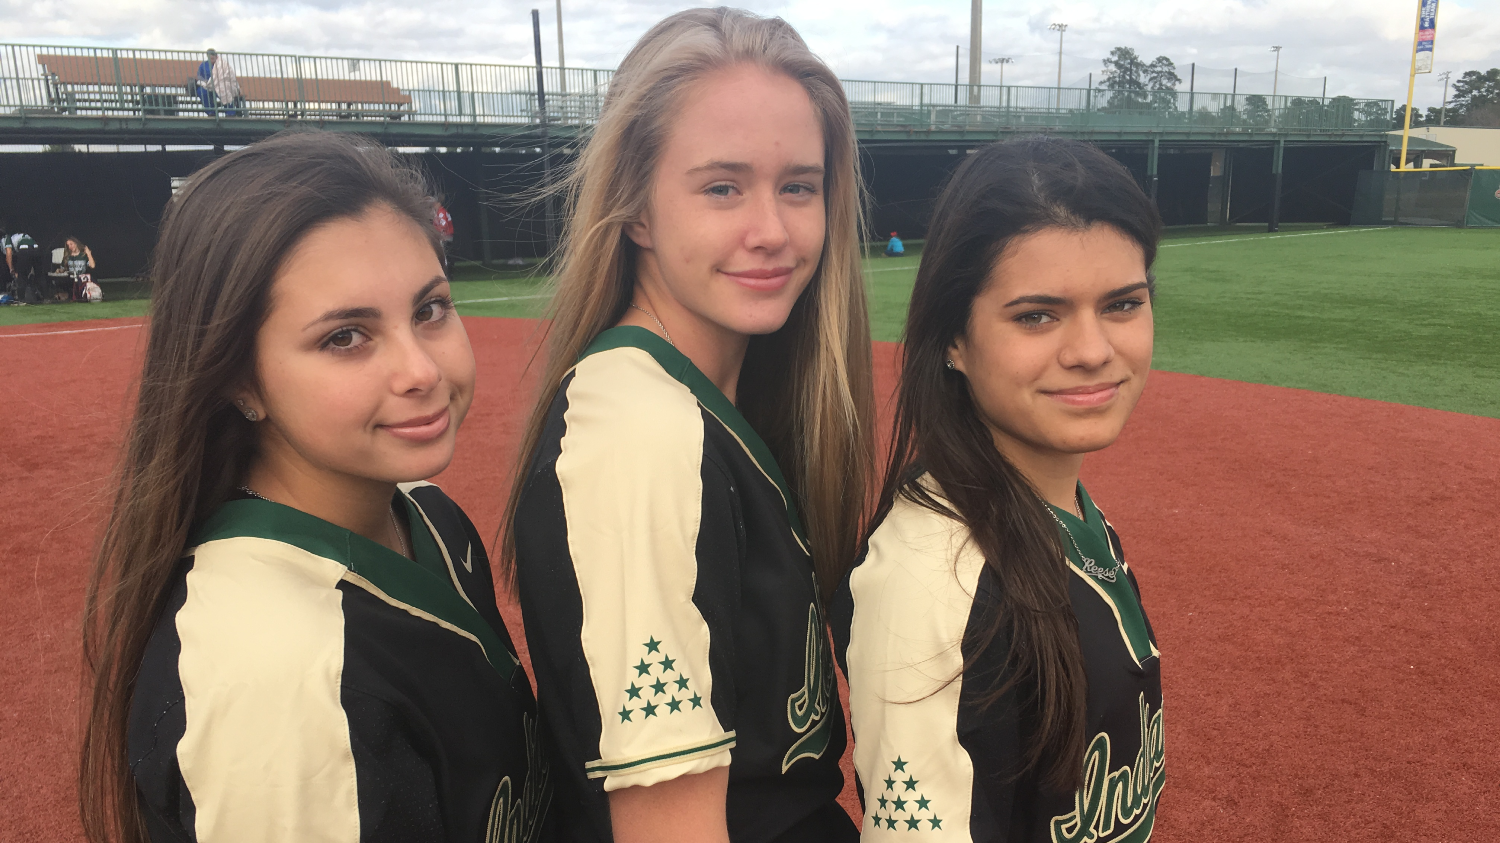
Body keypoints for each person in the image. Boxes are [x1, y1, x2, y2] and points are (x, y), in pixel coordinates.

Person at [79, 132, 557, 843]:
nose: (420, 369)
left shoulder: (428, 514)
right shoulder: (277, 681)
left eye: (430, 309)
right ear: (240, 377)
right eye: (345, 337)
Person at [505, 8, 875, 843]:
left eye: (799, 187)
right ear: (635, 210)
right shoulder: (641, 431)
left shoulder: (701, 401)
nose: (772, 230)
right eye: (721, 187)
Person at [833, 137, 1165, 842]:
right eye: (1036, 315)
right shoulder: (938, 578)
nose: (1091, 350)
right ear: (954, 339)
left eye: (1123, 304)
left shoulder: (1061, 509)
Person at [3, 225, 44, 303]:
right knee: (39, 275)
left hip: (25, 250)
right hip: (37, 250)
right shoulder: (24, 236)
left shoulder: (7, 238)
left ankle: (21, 299)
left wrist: (11, 269)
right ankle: (44, 297)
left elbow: (9, 253)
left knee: (21, 276)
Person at [62, 236, 96, 302]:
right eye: (68, 245)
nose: (70, 247)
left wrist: (89, 254)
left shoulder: (83, 255)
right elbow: (64, 268)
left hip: (82, 279)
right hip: (71, 280)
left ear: (76, 243)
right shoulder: (67, 256)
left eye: (71, 244)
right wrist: (60, 270)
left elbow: (92, 266)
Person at [433, 200, 455, 272]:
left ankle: (447, 271)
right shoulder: (442, 212)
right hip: (447, 236)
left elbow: (444, 225)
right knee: (447, 255)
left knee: (445, 255)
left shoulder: (441, 212)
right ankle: (448, 271)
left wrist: (438, 232)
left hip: (445, 237)